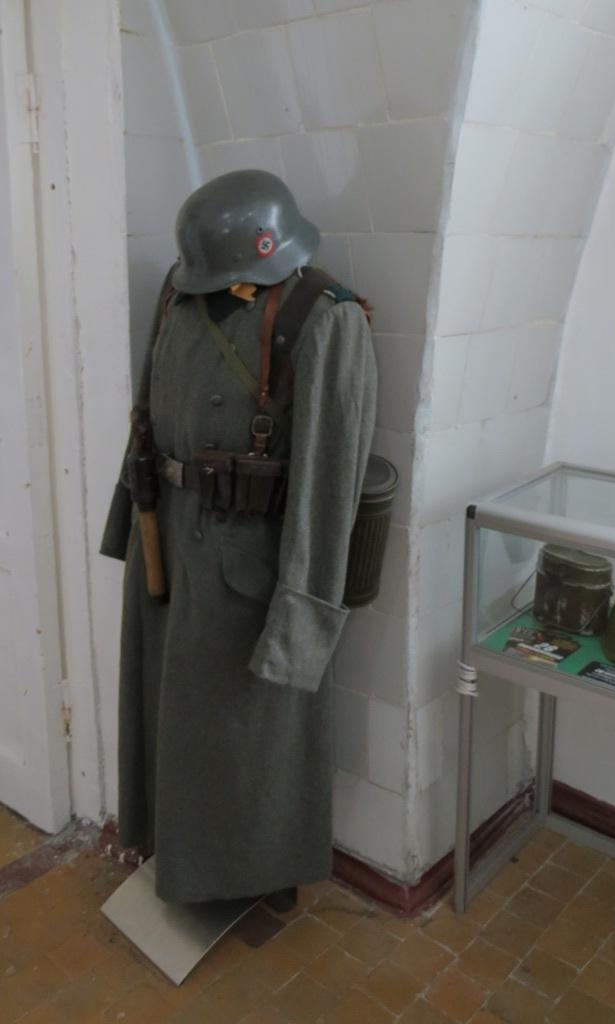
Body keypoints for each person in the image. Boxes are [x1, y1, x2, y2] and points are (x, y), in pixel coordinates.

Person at [100, 170, 377, 909]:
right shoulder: (179, 291)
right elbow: (146, 413)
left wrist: (302, 623)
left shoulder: (325, 318)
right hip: (167, 546)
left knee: (248, 736)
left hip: (247, 570)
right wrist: (130, 523)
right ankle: (174, 854)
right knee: (170, 718)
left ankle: (253, 879)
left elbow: (328, 488)